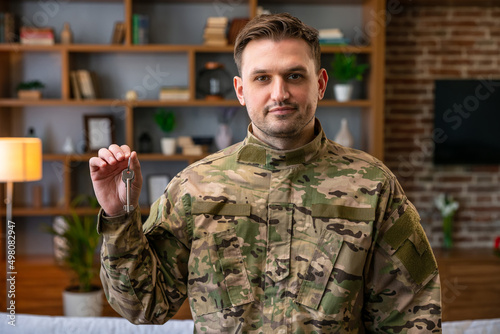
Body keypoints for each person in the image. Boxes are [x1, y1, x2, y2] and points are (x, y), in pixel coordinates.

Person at [90, 13, 442, 333]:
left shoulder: (373, 186)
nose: (280, 93)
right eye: (262, 78)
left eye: (294, 75)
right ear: (241, 91)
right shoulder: (193, 188)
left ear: (320, 84)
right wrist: (118, 217)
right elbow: (145, 307)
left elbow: (411, 317)